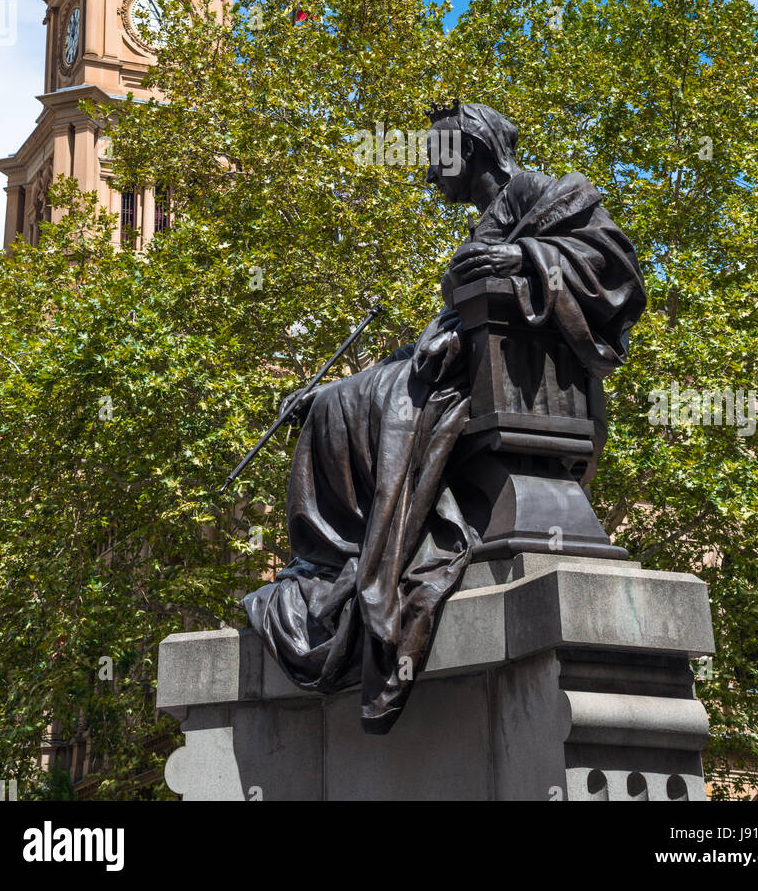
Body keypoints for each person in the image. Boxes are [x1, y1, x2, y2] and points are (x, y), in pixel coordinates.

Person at [243, 103, 646, 733]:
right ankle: (338, 557)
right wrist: (330, 391)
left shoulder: (548, 192)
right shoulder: (485, 217)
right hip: (459, 362)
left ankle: (361, 555)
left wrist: (522, 262)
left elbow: (613, 262)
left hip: (516, 374)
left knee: (381, 400)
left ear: (475, 150)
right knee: (338, 403)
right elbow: (441, 332)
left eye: (438, 160)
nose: (431, 177)